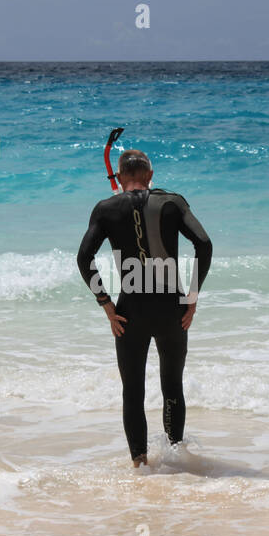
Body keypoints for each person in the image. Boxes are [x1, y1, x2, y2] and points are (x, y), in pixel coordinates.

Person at [76, 148, 212, 466]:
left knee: (133, 392)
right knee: (172, 385)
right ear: (150, 176)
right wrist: (192, 297)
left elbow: (84, 258)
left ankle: (140, 467)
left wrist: (106, 304)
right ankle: (177, 460)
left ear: (119, 177)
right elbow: (203, 244)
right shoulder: (173, 202)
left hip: (129, 313)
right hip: (172, 310)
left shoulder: (105, 208)